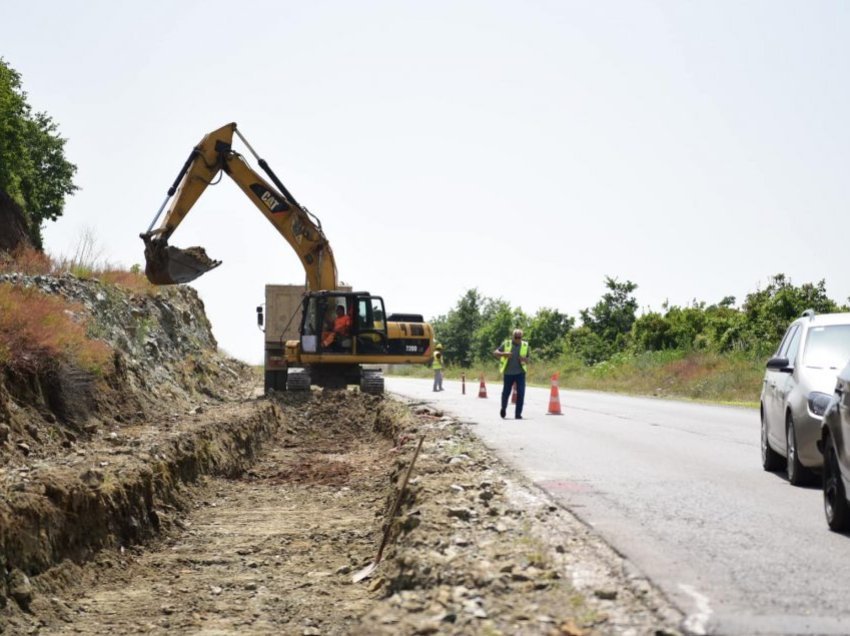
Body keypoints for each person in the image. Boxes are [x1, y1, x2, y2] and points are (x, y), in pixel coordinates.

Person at [493, 328, 529, 419]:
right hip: (508, 373)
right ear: (512, 337)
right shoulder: (507, 344)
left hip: (520, 373)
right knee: (506, 392)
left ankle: (518, 414)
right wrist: (504, 354)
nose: (517, 339)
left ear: (522, 337)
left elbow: (528, 359)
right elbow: (495, 352)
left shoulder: (525, 345)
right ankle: (503, 408)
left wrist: (524, 359)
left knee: (521, 393)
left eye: (519, 337)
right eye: (516, 337)